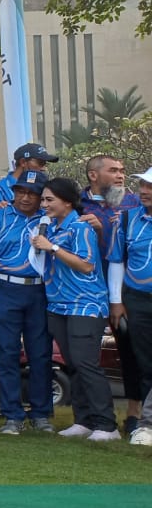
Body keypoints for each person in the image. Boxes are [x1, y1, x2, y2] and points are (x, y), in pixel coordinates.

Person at [31, 176, 118, 440]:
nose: (43, 204)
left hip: (85, 304)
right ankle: (84, 421)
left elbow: (87, 265)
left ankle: (107, 425)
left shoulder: (80, 227)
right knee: (74, 365)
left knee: (86, 363)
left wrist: (52, 247)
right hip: (58, 304)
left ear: (67, 202)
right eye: (43, 199)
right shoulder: (52, 227)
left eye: (49, 199)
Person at [0, 169, 54, 435]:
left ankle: (41, 414)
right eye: (20, 192)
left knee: (40, 354)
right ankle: (12, 415)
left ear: (42, 197)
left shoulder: (51, 219)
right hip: (4, 287)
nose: (25, 198)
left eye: (32, 193)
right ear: (13, 192)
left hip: (39, 290)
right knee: (7, 353)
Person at [80, 152, 142, 432]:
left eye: (122, 170)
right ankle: (88, 416)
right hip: (85, 291)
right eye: (113, 170)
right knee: (83, 353)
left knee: (132, 350)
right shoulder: (75, 204)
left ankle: (135, 413)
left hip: (125, 290)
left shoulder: (135, 203)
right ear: (93, 175)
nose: (120, 175)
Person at [113, 168, 152, 446]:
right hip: (137, 299)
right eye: (142, 184)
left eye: (150, 186)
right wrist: (116, 300)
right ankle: (147, 425)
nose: (144, 190)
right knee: (145, 363)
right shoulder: (127, 219)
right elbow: (117, 261)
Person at [0, 143, 58, 211]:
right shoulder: (0, 188)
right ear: (23, 162)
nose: (44, 168)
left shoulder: (44, 186)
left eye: (45, 164)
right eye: (40, 163)